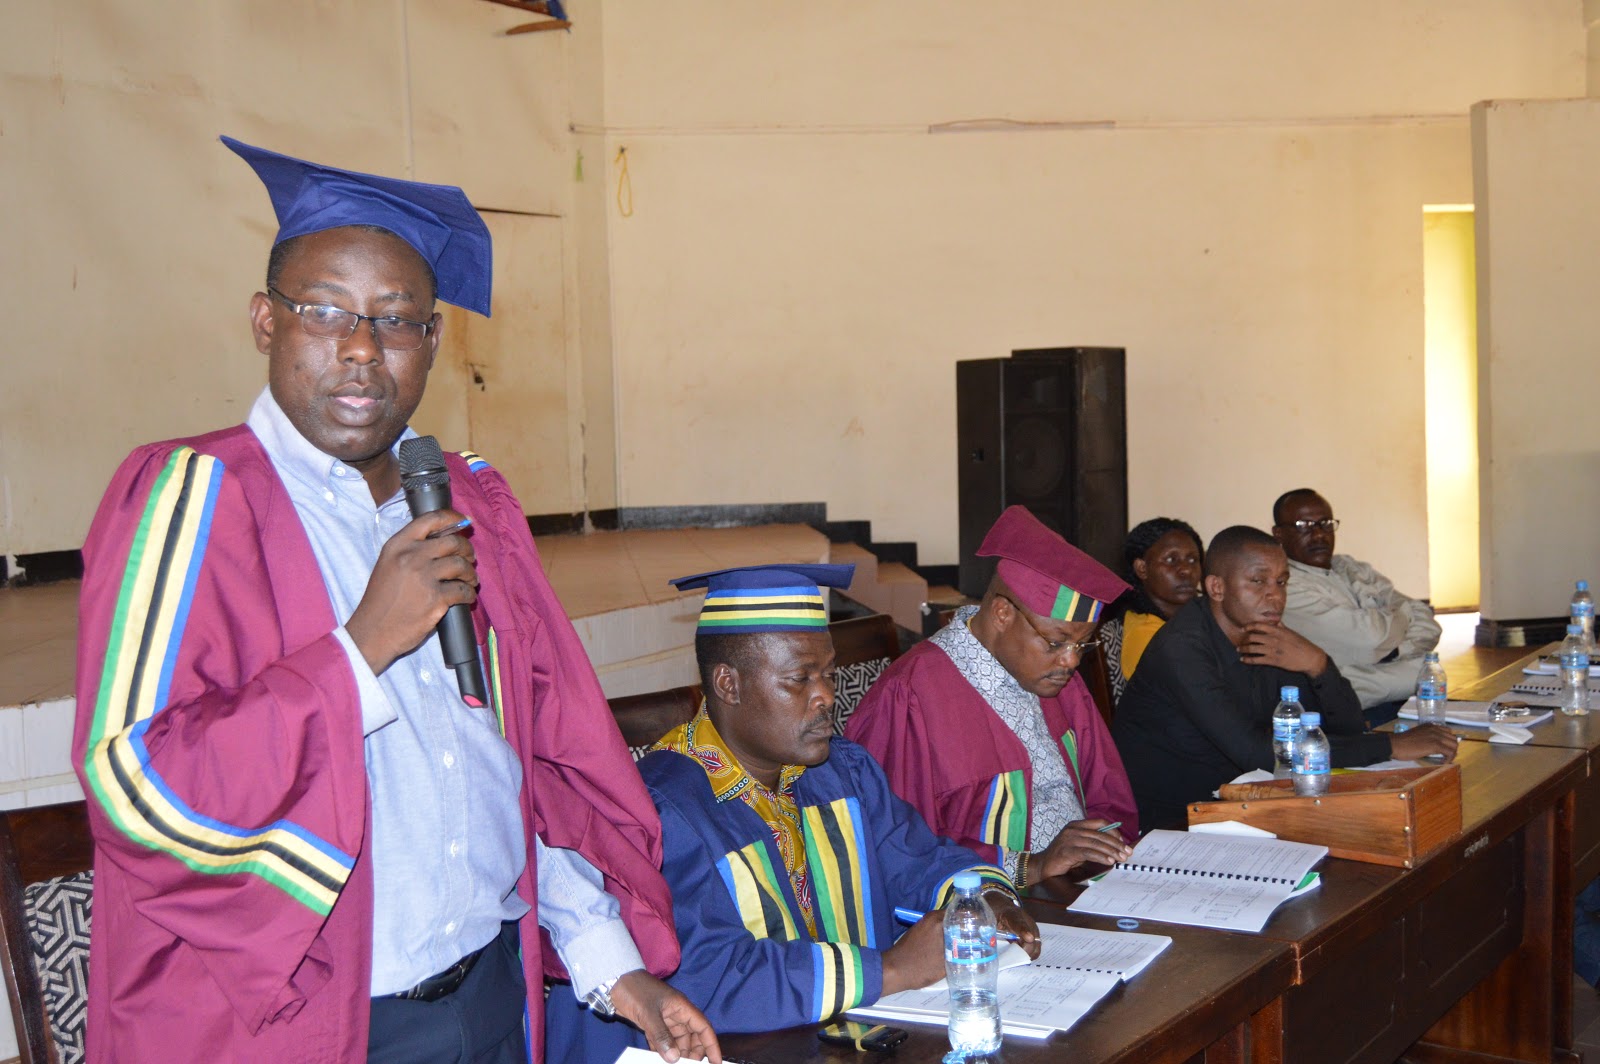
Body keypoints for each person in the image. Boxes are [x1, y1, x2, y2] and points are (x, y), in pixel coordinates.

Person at [71, 137, 718, 1064]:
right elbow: (135, 787)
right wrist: (359, 649)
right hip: (309, 1027)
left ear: (435, 341)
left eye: (397, 320)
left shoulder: (469, 502)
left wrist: (612, 963)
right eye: (325, 310)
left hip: (489, 1001)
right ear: (265, 321)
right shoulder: (194, 498)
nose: (361, 349)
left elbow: (523, 763)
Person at [545, 564, 1041, 1061]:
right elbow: (712, 975)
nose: (825, 695)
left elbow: (917, 857)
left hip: (848, 1040)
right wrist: (890, 970)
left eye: (828, 674)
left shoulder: (842, 772)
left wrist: (985, 899)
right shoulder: (662, 812)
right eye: (799, 679)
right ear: (729, 684)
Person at [847, 506, 1137, 892]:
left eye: (1082, 645)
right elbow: (897, 849)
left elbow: (1105, 788)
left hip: (1086, 882)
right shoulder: (912, 696)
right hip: (993, 900)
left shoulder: (1058, 678)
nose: (1071, 661)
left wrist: (1107, 843)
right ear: (1002, 614)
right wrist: (1032, 866)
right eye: (1056, 642)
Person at [1112, 526, 1459, 830]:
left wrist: (1318, 665)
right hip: (1173, 821)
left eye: (1281, 581)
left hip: (1246, 798)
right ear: (1216, 587)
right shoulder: (1182, 648)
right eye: (1258, 581)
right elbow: (1257, 754)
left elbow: (1348, 728)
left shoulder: (1268, 635)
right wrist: (1392, 745)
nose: (1275, 595)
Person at [1273, 488, 1443, 724]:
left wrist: (1394, 651)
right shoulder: (1284, 585)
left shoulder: (1351, 568)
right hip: (1347, 714)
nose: (1319, 534)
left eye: (1326, 524)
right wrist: (1402, 620)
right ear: (1279, 534)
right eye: (1304, 525)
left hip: (1400, 700)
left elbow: (1428, 623)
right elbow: (1370, 641)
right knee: (1421, 671)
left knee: (1426, 673)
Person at [1102, 517, 1204, 702]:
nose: (1186, 570)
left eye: (1192, 560)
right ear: (1142, 568)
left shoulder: (1196, 618)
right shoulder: (1146, 634)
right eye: (1171, 560)